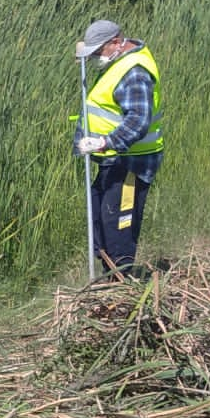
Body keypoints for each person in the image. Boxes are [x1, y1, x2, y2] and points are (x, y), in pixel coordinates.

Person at [74, 18, 164, 276]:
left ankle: (122, 285)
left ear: (116, 43)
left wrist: (104, 142)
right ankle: (108, 278)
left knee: (118, 227)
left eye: (98, 52)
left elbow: (138, 120)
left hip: (131, 163)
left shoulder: (134, 71)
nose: (94, 59)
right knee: (100, 221)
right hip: (113, 160)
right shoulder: (118, 63)